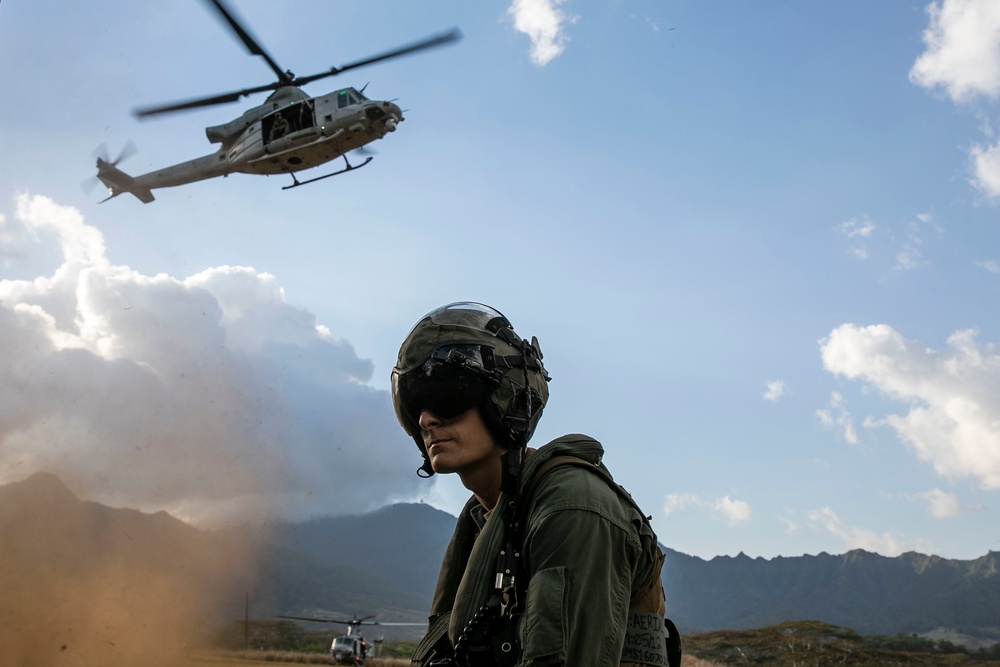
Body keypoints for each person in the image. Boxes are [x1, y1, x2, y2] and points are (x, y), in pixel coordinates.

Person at [391, 302, 679, 667]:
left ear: (505, 399)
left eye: (449, 394)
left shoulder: (572, 506)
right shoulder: (488, 516)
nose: (427, 419)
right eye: (414, 404)